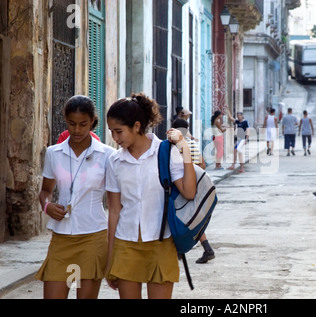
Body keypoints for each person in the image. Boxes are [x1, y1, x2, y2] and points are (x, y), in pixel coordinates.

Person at [105, 92, 197, 299]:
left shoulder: (165, 152)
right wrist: (110, 259)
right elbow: (113, 211)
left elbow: (189, 192)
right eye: (111, 132)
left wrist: (184, 148)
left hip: (161, 242)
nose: (115, 138)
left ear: (137, 126)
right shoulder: (114, 161)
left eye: (119, 131)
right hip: (125, 243)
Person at [36, 95, 115, 299]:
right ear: (65, 120)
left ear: (92, 122)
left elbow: (117, 205)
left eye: (83, 124)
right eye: (72, 124)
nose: (77, 130)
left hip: (94, 237)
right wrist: (47, 207)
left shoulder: (107, 155)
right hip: (61, 237)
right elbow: (45, 191)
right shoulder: (54, 153)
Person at [172, 118, 215, 264]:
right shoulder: (193, 145)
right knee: (195, 218)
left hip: (182, 188)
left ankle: (179, 249)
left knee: (183, 219)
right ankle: (207, 248)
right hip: (196, 187)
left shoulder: (176, 147)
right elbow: (202, 164)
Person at [226, 107, 250, 173]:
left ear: (242, 116)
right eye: (237, 116)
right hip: (238, 139)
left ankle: (242, 167)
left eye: (239, 115)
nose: (238, 117)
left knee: (238, 150)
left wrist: (246, 139)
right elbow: (231, 118)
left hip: (243, 139)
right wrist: (228, 109)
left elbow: (248, 130)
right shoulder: (237, 122)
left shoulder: (245, 122)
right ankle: (234, 165)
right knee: (235, 151)